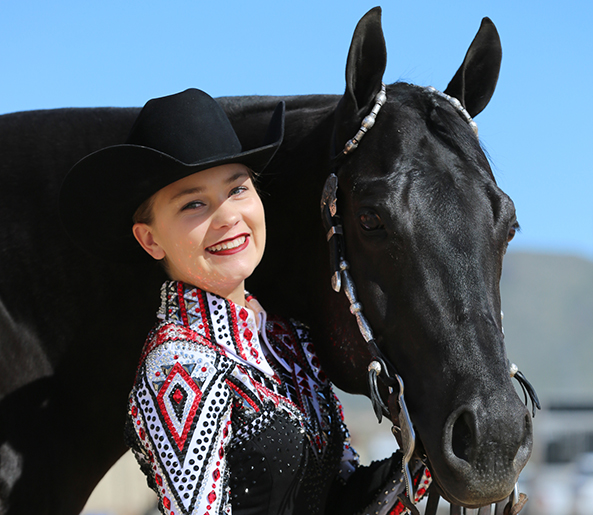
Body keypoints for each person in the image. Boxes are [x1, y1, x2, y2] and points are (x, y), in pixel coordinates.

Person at [59, 89, 431, 515]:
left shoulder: (291, 341)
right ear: (150, 239)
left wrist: (427, 455)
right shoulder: (180, 367)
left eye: (238, 189)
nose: (228, 217)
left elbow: (342, 494)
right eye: (194, 203)